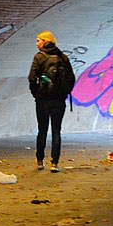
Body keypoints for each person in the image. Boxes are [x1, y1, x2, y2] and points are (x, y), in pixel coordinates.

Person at [29, 31, 75, 173]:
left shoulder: (39, 57)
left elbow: (32, 77)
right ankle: (54, 163)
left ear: (44, 41)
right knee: (56, 131)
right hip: (59, 100)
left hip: (43, 100)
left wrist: (36, 93)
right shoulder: (63, 57)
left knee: (42, 130)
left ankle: (40, 161)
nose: (36, 43)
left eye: (38, 40)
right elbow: (71, 78)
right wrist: (64, 92)